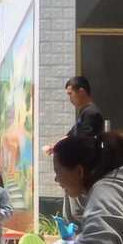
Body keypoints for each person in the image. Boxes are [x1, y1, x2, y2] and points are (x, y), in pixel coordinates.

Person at [45, 76, 104, 228]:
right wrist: (56, 146)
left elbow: (84, 141)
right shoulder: (84, 114)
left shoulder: (91, 114)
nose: (69, 98)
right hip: (72, 171)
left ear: (82, 91)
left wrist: (62, 146)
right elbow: (72, 135)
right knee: (70, 215)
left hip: (80, 172)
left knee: (78, 214)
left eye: (70, 94)